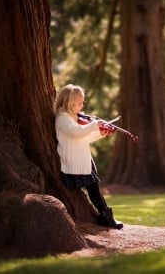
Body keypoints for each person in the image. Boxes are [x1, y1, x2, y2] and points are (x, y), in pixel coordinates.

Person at [53, 84, 123, 229]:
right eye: (79, 103)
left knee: (94, 188)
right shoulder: (62, 118)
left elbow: (84, 137)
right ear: (68, 102)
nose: (82, 105)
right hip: (74, 160)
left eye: (82, 102)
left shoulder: (74, 117)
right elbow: (76, 132)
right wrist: (95, 124)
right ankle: (103, 216)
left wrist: (100, 133)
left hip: (85, 159)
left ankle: (106, 215)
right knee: (85, 189)